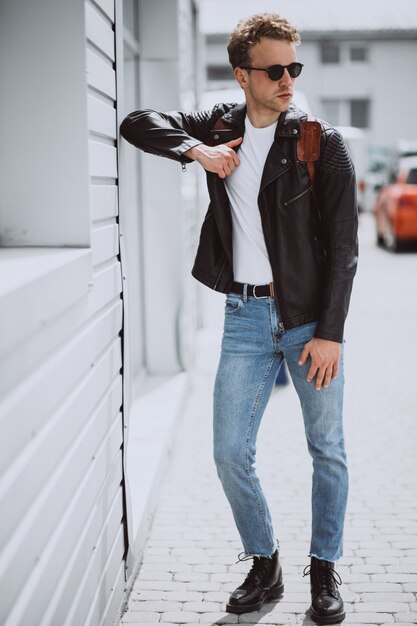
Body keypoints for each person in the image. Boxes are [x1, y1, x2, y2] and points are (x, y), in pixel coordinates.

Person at [120, 12, 358, 624]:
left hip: (308, 321)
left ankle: (325, 569)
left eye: (293, 68)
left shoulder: (318, 142)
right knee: (230, 452)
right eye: (274, 70)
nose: (287, 80)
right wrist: (194, 150)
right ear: (242, 76)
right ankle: (265, 561)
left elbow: (345, 248)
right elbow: (137, 122)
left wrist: (330, 333)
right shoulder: (218, 125)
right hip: (244, 317)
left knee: (326, 448)